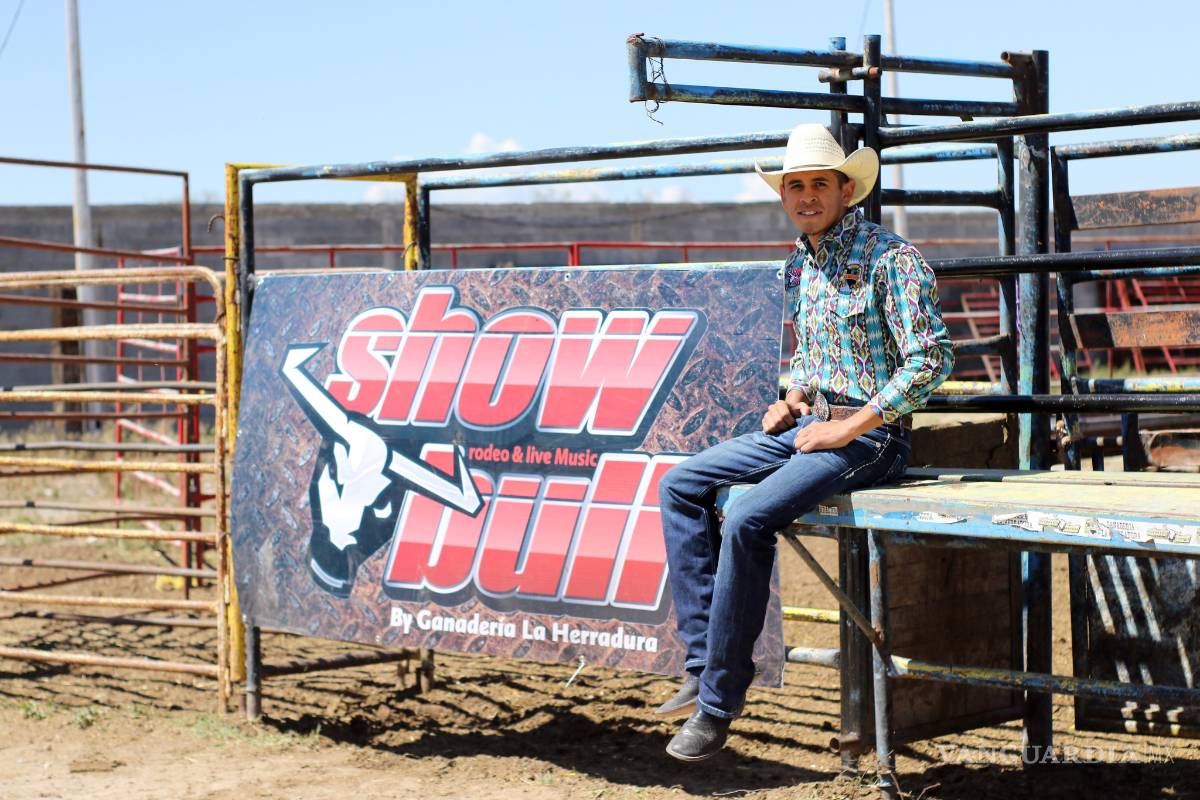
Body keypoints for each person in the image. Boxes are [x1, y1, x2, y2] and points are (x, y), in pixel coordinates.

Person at [655, 123, 955, 761]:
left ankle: (717, 703)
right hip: (811, 425)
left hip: (871, 439)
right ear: (784, 195)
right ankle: (703, 656)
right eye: (796, 185)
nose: (807, 195)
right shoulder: (801, 261)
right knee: (680, 484)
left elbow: (931, 359)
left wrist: (847, 426)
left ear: (847, 189)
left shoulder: (890, 258)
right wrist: (791, 397)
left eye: (821, 183)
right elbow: (815, 355)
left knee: (746, 514)